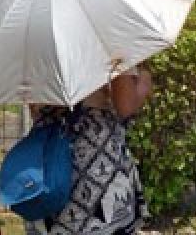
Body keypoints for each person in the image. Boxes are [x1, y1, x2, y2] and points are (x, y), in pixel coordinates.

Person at [27, 66, 153, 235]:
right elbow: (125, 105)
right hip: (99, 170)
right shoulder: (106, 42)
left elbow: (34, 107)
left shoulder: (35, 46)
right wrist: (144, 78)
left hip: (50, 168)